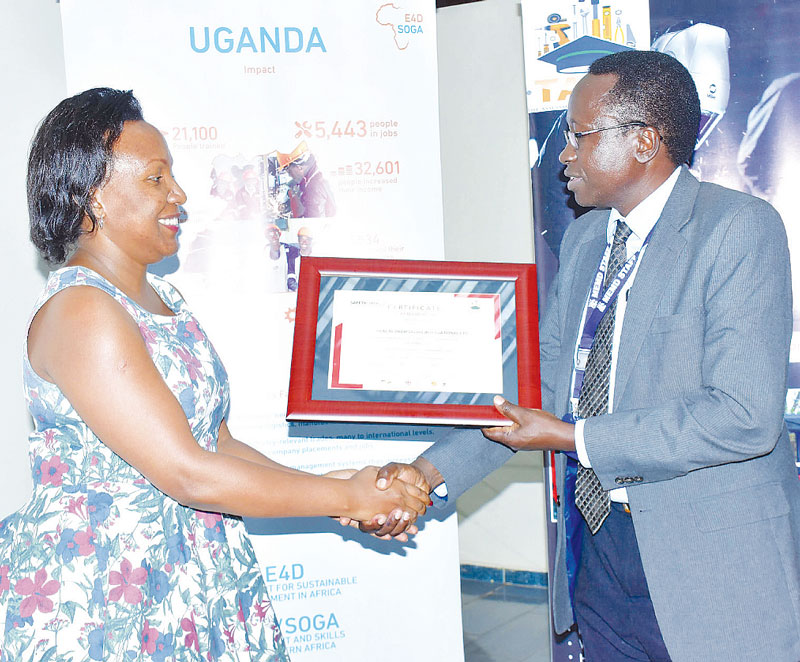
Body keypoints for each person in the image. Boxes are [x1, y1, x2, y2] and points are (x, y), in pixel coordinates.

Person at [364, 51, 800, 661]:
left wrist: (573, 438)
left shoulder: (738, 229)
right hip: (598, 550)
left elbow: (741, 415)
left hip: (709, 564)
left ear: (645, 140)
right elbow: (539, 389)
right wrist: (427, 474)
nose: (563, 152)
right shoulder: (588, 237)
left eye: (578, 135)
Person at [0, 88, 427, 661]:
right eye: (156, 178)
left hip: (193, 567)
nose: (179, 194)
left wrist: (339, 495)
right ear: (93, 196)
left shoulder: (162, 297)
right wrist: (342, 494)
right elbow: (188, 473)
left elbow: (215, 442)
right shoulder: (84, 312)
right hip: (113, 590)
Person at [286, 152, 336, 218]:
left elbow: (313, 222)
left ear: (299, 168)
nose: (289, 175)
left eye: (289, 171)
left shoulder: (313, 187)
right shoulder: (313, 177)